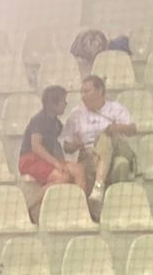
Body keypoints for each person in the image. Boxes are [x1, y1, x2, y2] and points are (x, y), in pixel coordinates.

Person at [62, 76, 138, 206]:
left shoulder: (116, 109)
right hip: (90, 155)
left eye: (87, 91)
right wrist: (75, 145)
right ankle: (114, 205)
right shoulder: (76, 114)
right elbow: (66, 146)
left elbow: (133, 129)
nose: (83, 96)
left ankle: (98, 187)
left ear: (100, 90)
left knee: (105, 136)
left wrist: (116, 128)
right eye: (82, 92)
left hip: (117, 149)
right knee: (121, 164)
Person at [19, 85, 87, 217]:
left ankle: (78, 208)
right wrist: (56, 163)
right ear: (53, 104)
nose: (66, 104)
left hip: (47, 160)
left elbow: (67, 145)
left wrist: (77, 144)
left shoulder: (56, 122)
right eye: (63, 101)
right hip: (30, 160)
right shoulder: (39, 120)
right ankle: (29, 205)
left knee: (79, 169)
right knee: (62, 177)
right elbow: (36, 147)